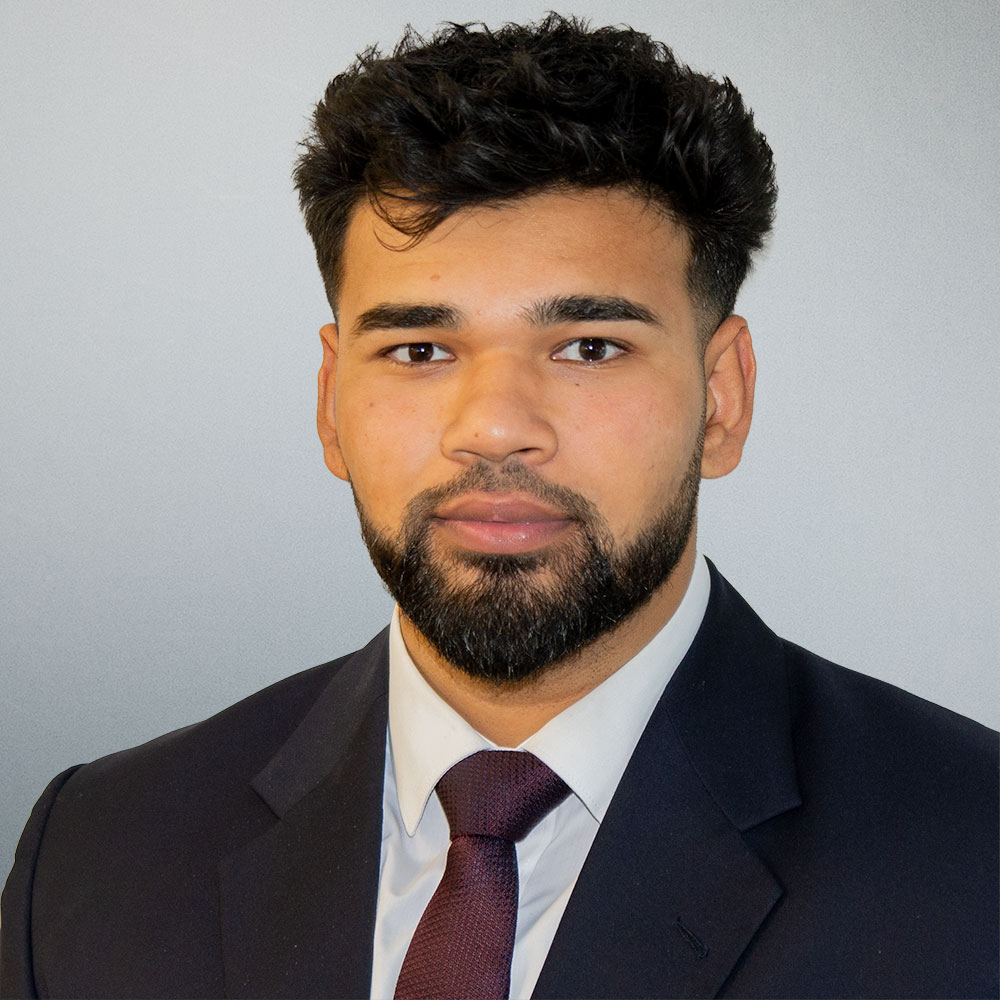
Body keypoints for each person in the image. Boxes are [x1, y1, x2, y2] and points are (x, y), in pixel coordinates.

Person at [1, 14, 996, 1000]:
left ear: (721, 398)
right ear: (330, 404)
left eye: (589, 347)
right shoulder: (91, 857)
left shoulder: (971, 857)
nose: (493, 427)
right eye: (419, 350)